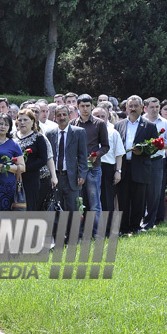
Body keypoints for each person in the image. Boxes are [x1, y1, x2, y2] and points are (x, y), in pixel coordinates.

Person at [114, 95, 159, 234]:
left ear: (141, 108)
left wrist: (143, 151)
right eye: (130, 106)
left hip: (140, 167)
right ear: (126, 107)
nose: (133, 109)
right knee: (123, 199)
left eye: (136, 106)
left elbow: (155, 146)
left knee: (139, 200)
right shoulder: (119, 125)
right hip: (124, 167)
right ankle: (123, 227)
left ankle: (135, 227)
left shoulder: (149, 126)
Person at [71, 94, 109, 235]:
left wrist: (96, 155)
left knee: (94, 203)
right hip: (77, 168)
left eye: (88, 106)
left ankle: (97, 233)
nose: (85, 109)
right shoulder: (73, 124)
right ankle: (79, 233)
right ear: (78, 107)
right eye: (82, 106)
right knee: (78, 201)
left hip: (93, 168)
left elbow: (105, 146)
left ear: (92, 106)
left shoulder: (99, 123)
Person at [46, 106, 88, 227]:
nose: (62, 117)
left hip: (72, 177)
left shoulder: (79, 132)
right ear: (55, 117)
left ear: (69, 116)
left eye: (64, 114)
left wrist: (82, 174)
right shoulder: (50, 133)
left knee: (73, 208)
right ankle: (59, 237)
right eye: (59, 115)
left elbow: (83, 156)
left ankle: (73, 238)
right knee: (56, 208)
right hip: (55, 176)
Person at [142, 97, 167, 229]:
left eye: (157, 107)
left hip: (156, 161)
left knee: (154, 193)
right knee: (140, 192)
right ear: (145, 108)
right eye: (152, 107)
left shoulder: (165, 123)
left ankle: (150, 222)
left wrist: (159, 146)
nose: (155, 110)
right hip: (141, 161)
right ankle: (138, 220)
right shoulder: (141, 121)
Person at [92, 107, 125, 220]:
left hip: (107, 167)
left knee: (107, 199)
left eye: (102, 116)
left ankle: (107, 228)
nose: (100, 118)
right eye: (97, 116)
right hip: (91, 167)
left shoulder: (113, 132)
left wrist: (118, 171)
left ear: (107, 117)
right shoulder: (86, 130)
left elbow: (119, 153)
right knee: (92, 198)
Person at [13, 109, 49, 211]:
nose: (22, 123)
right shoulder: (12, 137)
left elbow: (43, 159)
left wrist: (23, 168)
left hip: (31, 178)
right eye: (20, 120)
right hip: (13, 176)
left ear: (32, 121)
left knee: (29, 206)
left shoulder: (38, 138)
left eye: (25, 120)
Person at [0, 114, 25, 211]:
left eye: (6, 124)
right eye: (0, 123)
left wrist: (6, 167)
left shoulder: (13, 144)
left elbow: (22, 167)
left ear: (9, 127)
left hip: (6, 186)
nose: (3, 127)